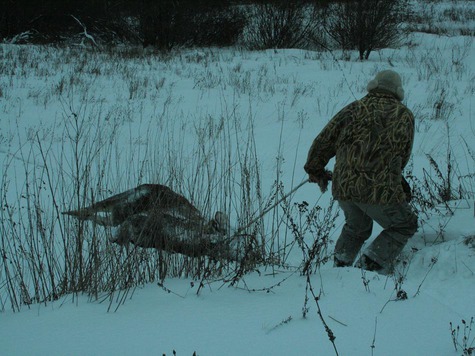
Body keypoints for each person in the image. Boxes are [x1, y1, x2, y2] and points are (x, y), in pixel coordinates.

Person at [304, 70, 418, 274]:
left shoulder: (352, 109)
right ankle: (369, 267)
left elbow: (324, 141)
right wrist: (395, 180)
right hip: (379, 190)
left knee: (357, 228)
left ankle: (340, 268)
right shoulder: (404, 115)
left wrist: (315, 169)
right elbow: (403, 155)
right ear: (398, 92)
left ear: (373, 86)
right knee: (405, 225)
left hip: (345, 187)